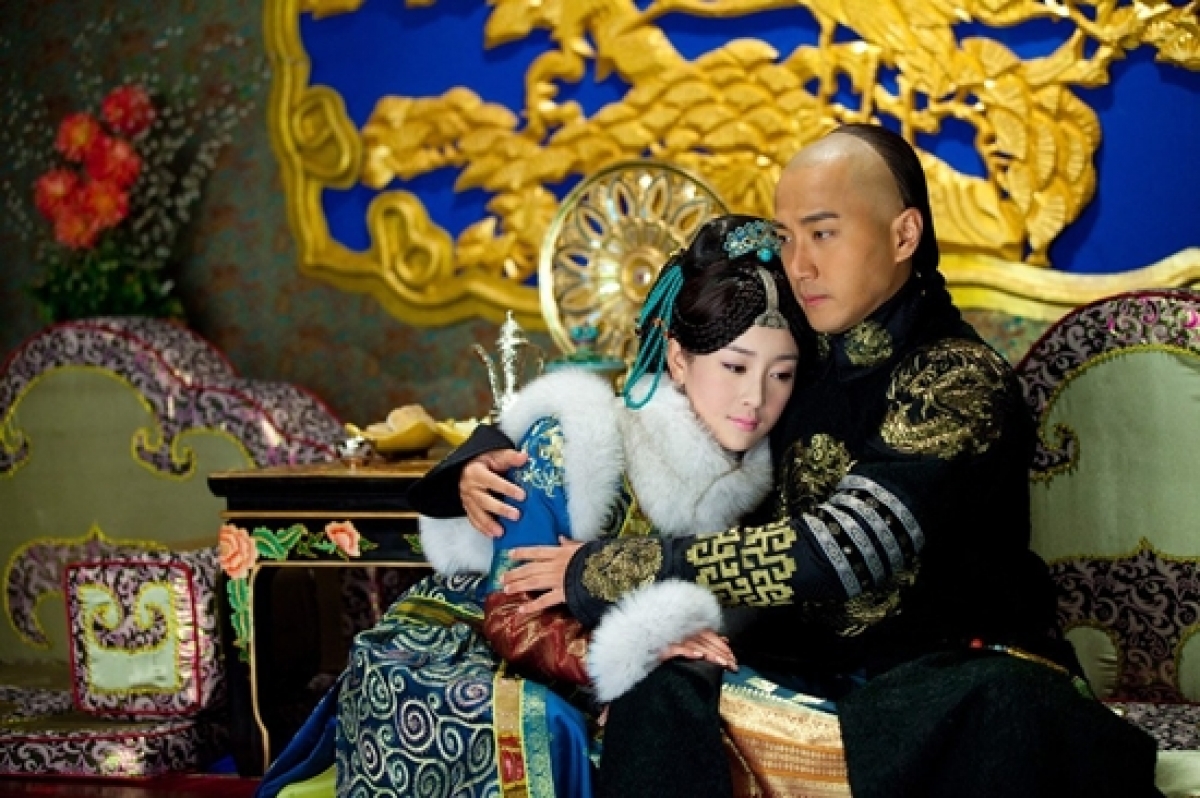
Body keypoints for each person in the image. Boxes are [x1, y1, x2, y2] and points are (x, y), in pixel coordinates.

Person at [420, 124, 1164, 797]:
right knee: (662, 683)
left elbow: (845, 548)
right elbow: (653, 386)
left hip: (943, 671)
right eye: (787, 238)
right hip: (796, 669)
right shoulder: (799, 350)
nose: (800, 264)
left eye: (824, 233)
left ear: (904, 234)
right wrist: (484, 456)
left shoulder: (956, 380)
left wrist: (608, 569)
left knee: (1001, 710)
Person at [254, 214, 804, 798]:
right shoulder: (575, 443)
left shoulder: (773, 470)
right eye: (734, 366)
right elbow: (511, 616)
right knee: (549, 729)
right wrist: (639, 654)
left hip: (617, 664)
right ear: (677, 358)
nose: (755, 397)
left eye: (782, 374)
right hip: (475, 646)